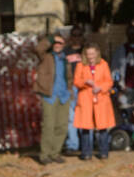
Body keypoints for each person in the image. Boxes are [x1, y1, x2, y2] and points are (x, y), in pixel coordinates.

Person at [33, 33, 72, 165]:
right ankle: (45, 154)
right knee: (48, 126)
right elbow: (38, 48)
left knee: (62, 126)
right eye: (55, 43)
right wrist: (51, 39)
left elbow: (69, 77)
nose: (57, 45)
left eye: (60, 43)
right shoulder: (46, 56)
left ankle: (55, 153)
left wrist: (70, 91)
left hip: (64, 96)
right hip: (49, 95)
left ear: (64, 45)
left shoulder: (65, 59)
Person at [73, 44, 114, 160]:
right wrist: (86, 81)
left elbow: (109, 81)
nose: (90, 56)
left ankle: (104, 152)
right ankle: (86, 153)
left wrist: (100, 87)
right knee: (85, 127)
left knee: (102, 126)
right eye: (88, 54)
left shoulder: (103, 64)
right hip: (85, 98)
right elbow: (76, 81)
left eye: (92, 53)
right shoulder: (80, 65)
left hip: (101, 98)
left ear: (97, 53)